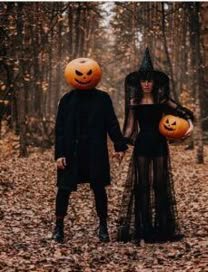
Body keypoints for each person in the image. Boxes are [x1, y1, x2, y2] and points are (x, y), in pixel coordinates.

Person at [117, 48, 194, 244]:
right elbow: (129, 127)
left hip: (159, 144)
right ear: (140, 83)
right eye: (144, 80)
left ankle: (163, 228)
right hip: (142, 144)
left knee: (159, 185)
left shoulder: (162, 100)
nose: (147, 84)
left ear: (154, 82)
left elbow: (183, 114)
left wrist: (186, 126)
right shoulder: (135, 101)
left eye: (150, 80)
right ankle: (144, 229)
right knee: (143, 186)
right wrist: (122, 145)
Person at [53, 58, 127, 243]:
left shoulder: (103, 99)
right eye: (79, 73)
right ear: (71, 75)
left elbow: (112, 123)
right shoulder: (67, 100)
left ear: (95, 75)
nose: (84, 77)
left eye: (88, 73)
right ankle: (58, 227)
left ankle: (103, 228)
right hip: (71, 153)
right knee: (63, 189)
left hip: (95, 152)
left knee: (99, 189)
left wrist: (119, 145)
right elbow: (60, 129)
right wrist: (59, 154)